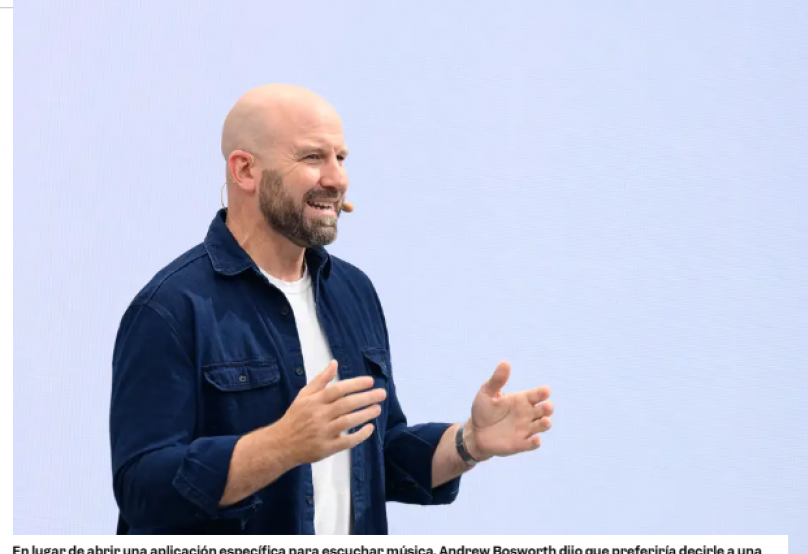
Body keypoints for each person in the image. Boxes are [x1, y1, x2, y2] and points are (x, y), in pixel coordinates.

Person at [109, 84, 555, 535]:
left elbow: (377, 452)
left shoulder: (353, 291)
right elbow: (142, 489)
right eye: (312, 157)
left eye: (340, 158)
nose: (337, 179)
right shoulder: (169, 308)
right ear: (245, 170)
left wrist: (468, 442)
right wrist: (280, 446)